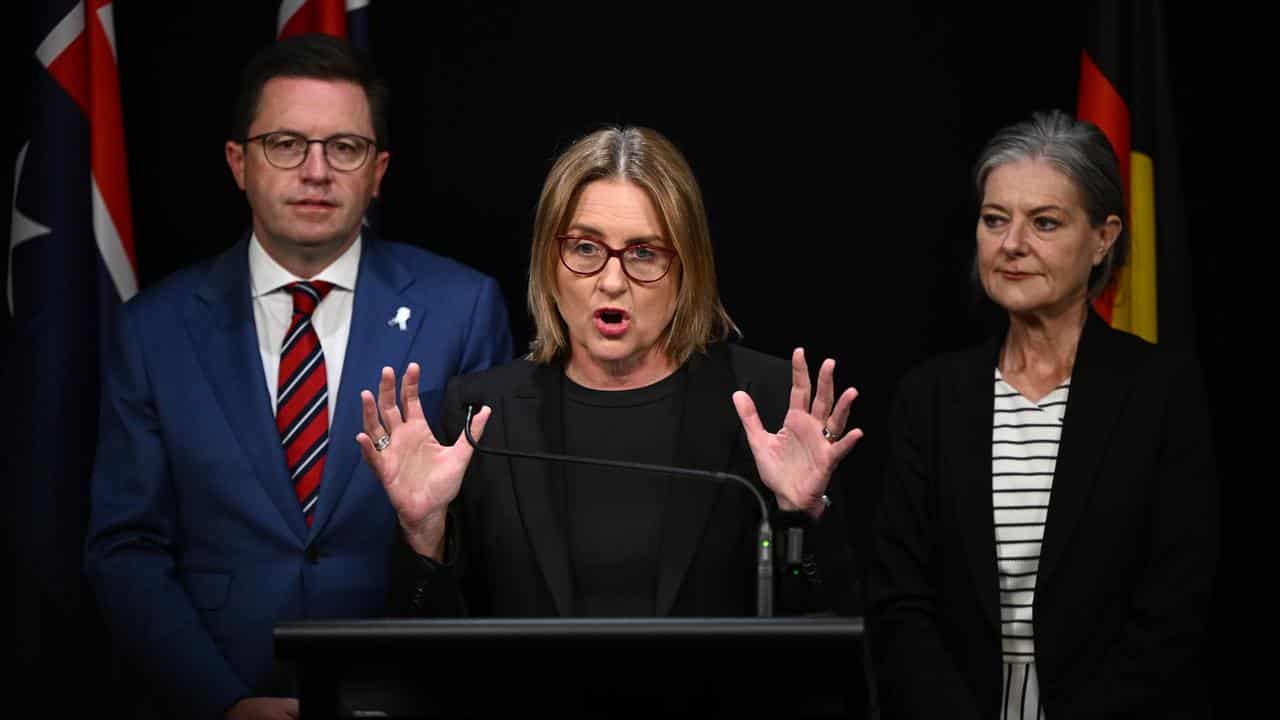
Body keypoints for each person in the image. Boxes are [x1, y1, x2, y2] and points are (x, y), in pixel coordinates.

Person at [84, 34, 512, 720]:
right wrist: (220, 702)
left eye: (344, 148)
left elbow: (494, 534)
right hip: (213, 690)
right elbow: (126, 547)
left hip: (399, 694)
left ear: (378, 171)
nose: (316, 171)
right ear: (238, 163)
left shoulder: (461, 309)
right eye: (286, 144)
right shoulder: (152, 330)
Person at [357, 125, 863, 621]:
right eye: (585, 248)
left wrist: (806, 515)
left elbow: (834, 631)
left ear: (687, 267)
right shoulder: (481, 417)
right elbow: (427, 648)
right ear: (549, 263)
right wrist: (423, 533)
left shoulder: (764, 403)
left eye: (643, 253)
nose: (613, 281)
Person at [867, 110, 1218, 719]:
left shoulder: (1161, 391)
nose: (1011, 245)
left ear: (1104, 237)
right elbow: (900, 602)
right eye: (994, 219)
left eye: (1045, 223)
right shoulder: (930, 398)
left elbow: (1174, 609)